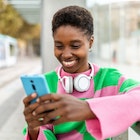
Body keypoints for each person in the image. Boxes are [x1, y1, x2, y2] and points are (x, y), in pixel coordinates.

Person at [22, 5, 140, 140]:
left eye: (75, 46)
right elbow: (42, 130)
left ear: (90, 43)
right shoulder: (47, 82)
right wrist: (33, 129)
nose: (66, 54)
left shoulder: (109, 79)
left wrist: (88, 109)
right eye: (59, 46)